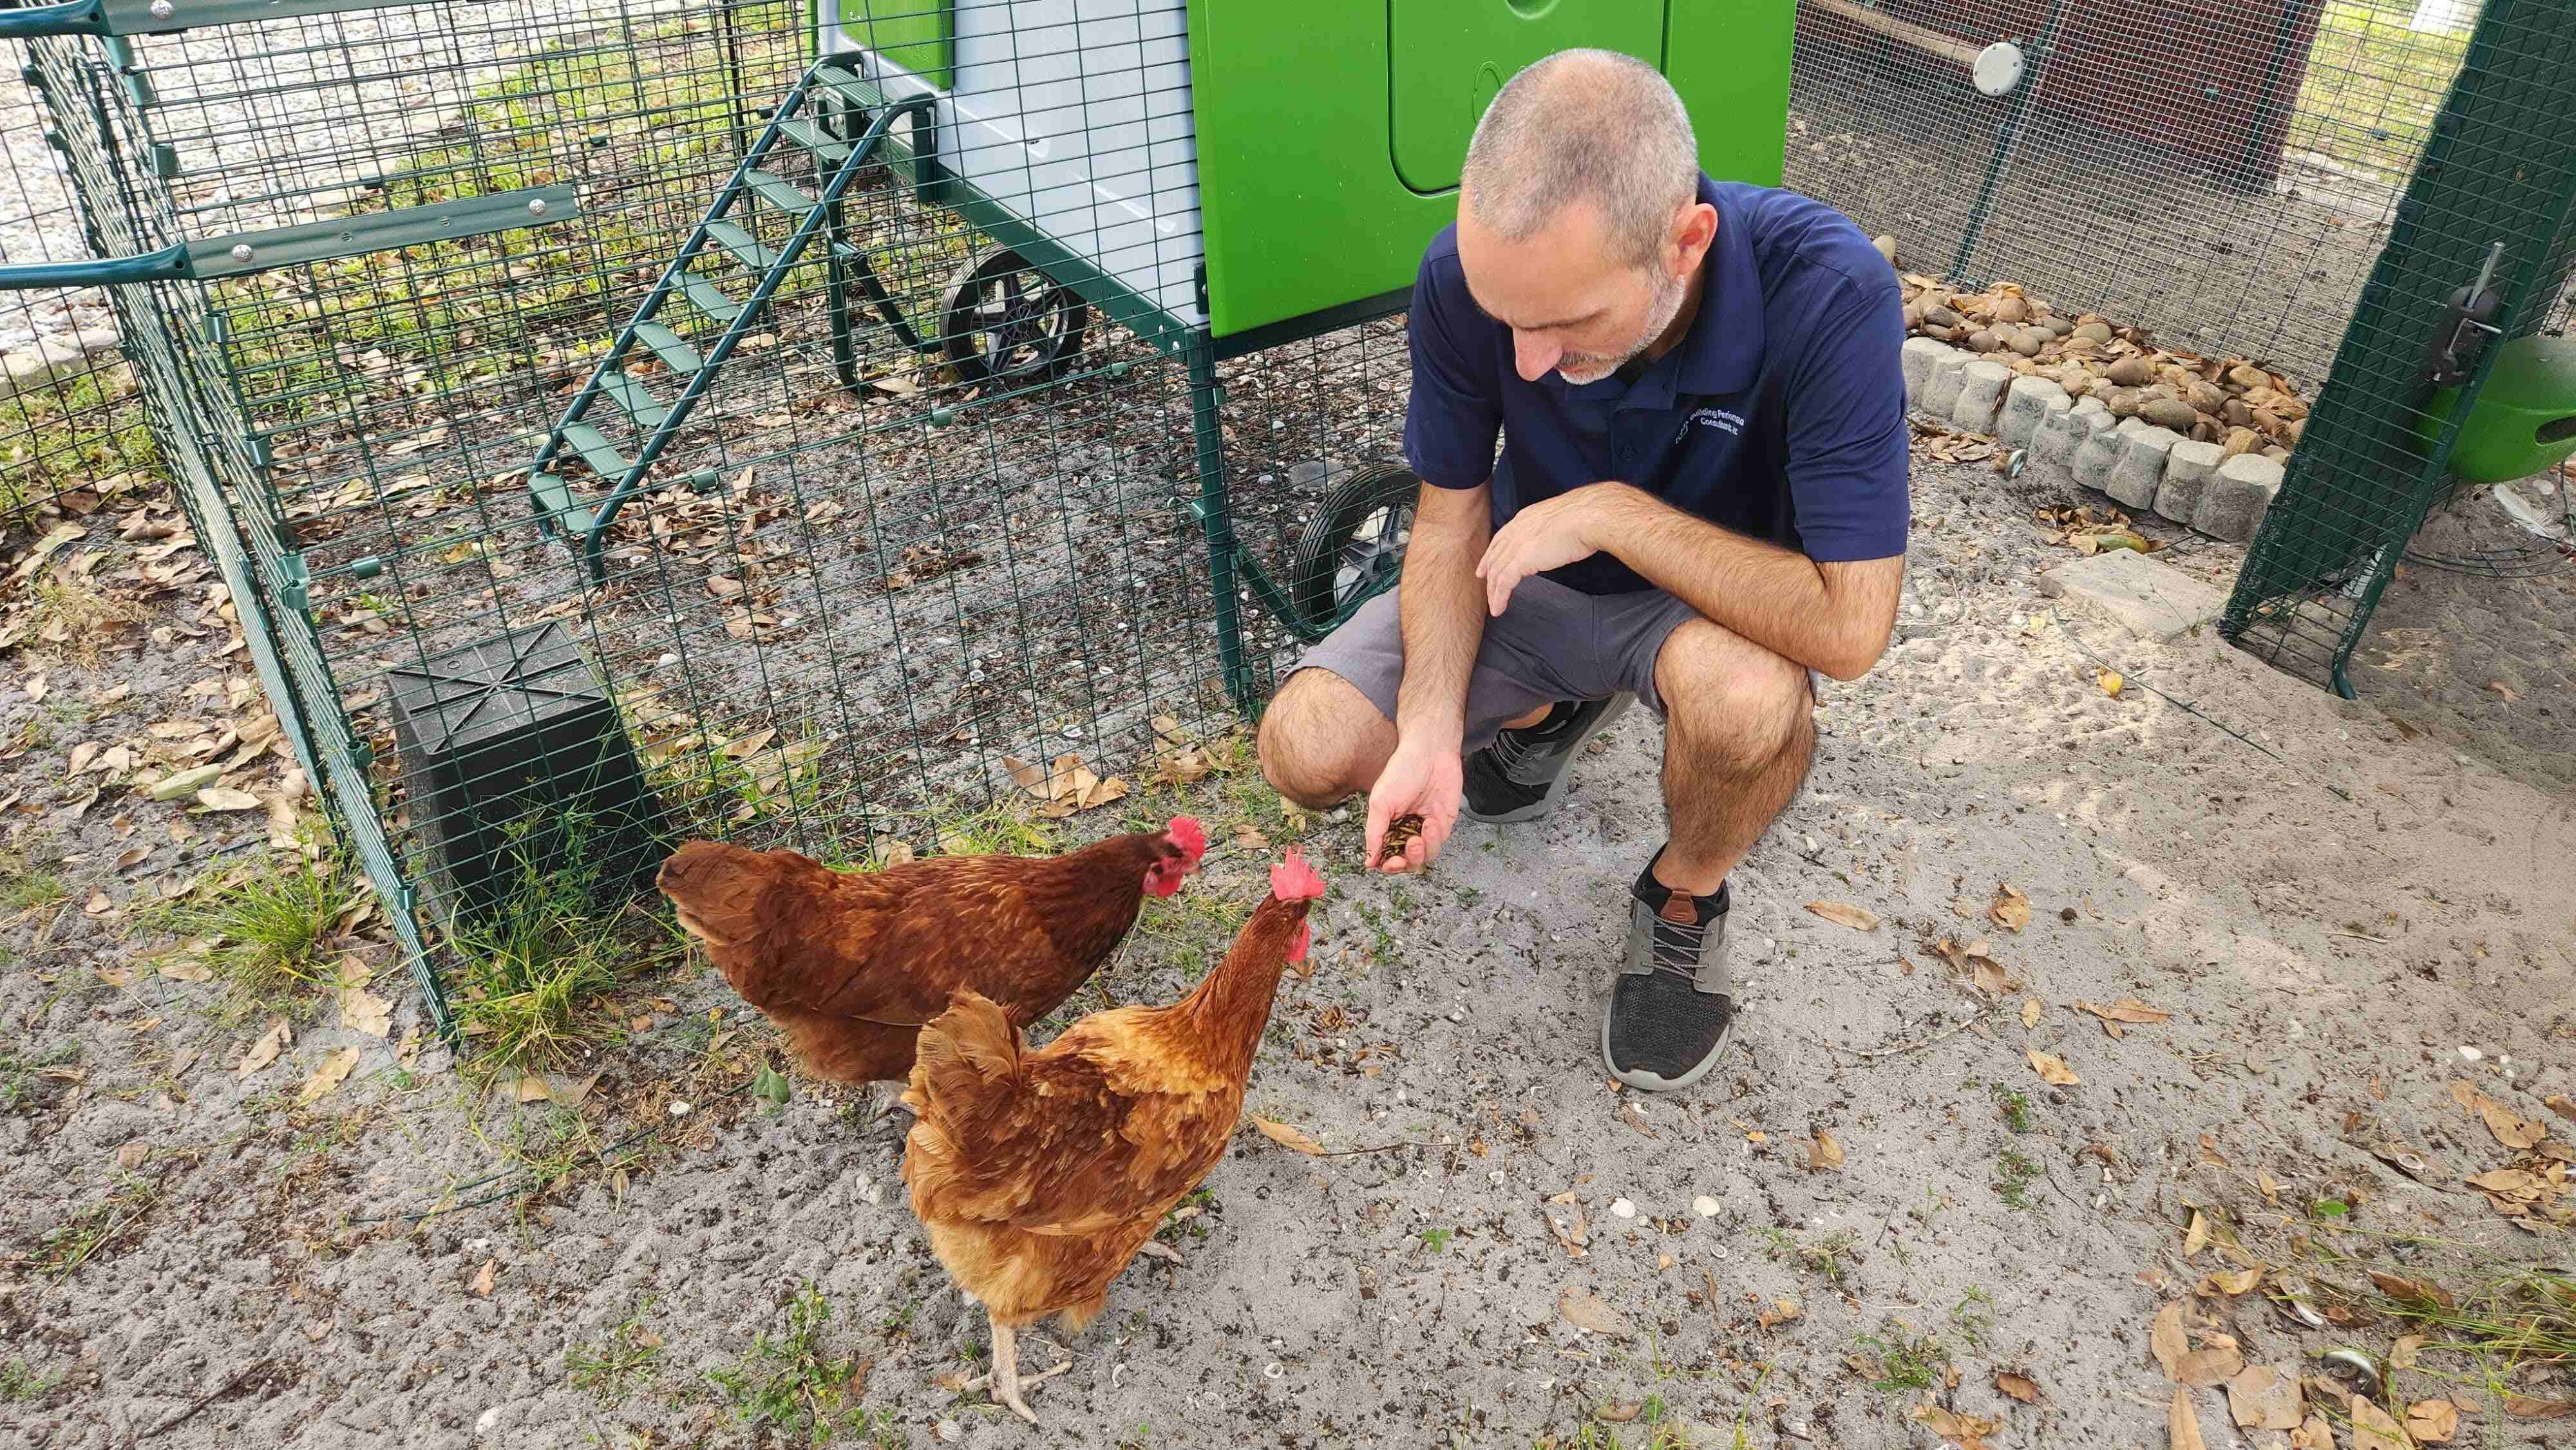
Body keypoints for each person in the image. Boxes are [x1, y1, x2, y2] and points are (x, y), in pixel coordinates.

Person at [1257, 50, 1908, 1093]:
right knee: (1306, 745)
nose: (1525, 361)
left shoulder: (1828, 291)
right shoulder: (1463, 279)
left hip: (1704, 607)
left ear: (1686, 243)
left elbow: (1851, 628)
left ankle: (1684, 898)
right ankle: (1544, 710)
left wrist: (1612, 516)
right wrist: (1427, 725)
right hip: (1524, 575)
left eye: (1566, 324)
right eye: (1507, 317)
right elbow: (1448, 523)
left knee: (1745, 710)